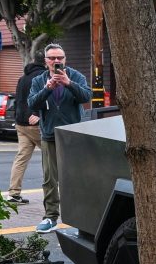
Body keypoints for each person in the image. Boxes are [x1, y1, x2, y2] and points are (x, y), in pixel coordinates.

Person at [27, 45, 92, 233]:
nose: (56, 61)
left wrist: (68, 83)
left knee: (77, 178)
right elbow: (32, 102)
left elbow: (86, 96)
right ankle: (50, 217)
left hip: (73, 135)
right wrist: (48, 88)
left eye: (59, 58)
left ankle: (81, 219)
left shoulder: (76, 76)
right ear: (46, 61)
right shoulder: (39, 81)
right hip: (49, 135)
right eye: (52, 58)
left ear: (65, 59)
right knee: (49, 179)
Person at [6, 57, 44, 204]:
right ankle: (54, 193)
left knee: (21, 158)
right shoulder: (42, 77)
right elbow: (43, 99)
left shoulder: (22, 78)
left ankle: (13, 194)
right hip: (35, 123)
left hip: (20, 123)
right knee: (52, 156)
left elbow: (18, 100)